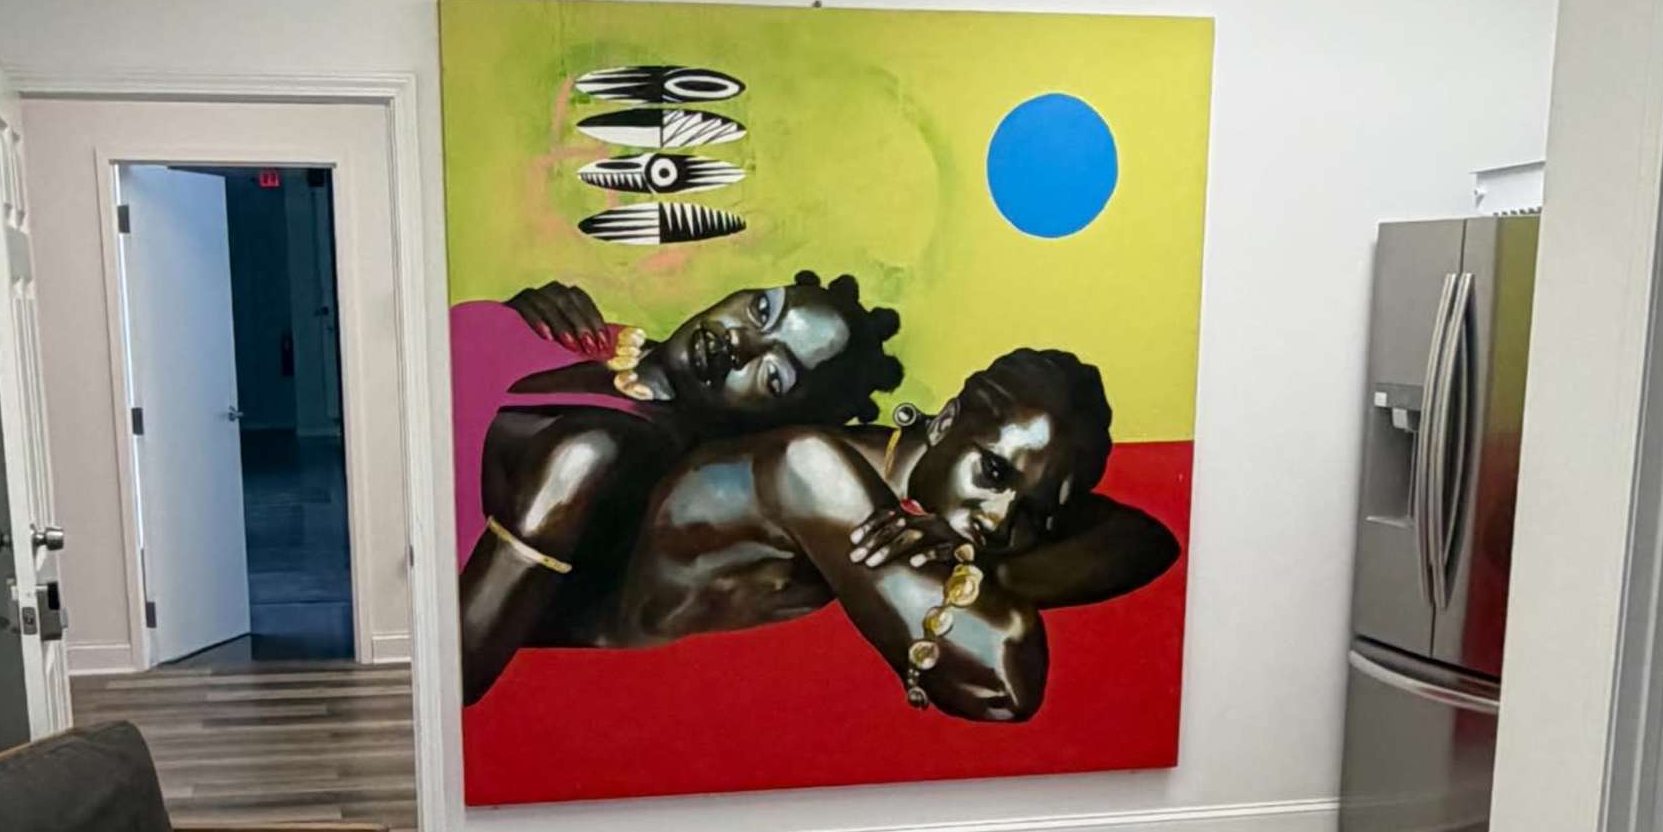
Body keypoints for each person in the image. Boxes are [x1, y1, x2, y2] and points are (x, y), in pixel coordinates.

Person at [459, 291, 1176, 719]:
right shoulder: (812, 469)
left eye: (1030, 512)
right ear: (948, 417)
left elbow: (1146, 541)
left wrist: (978, 556)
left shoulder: (874, 484)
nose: (996, 518)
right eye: (992, 473)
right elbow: (1002, 678)